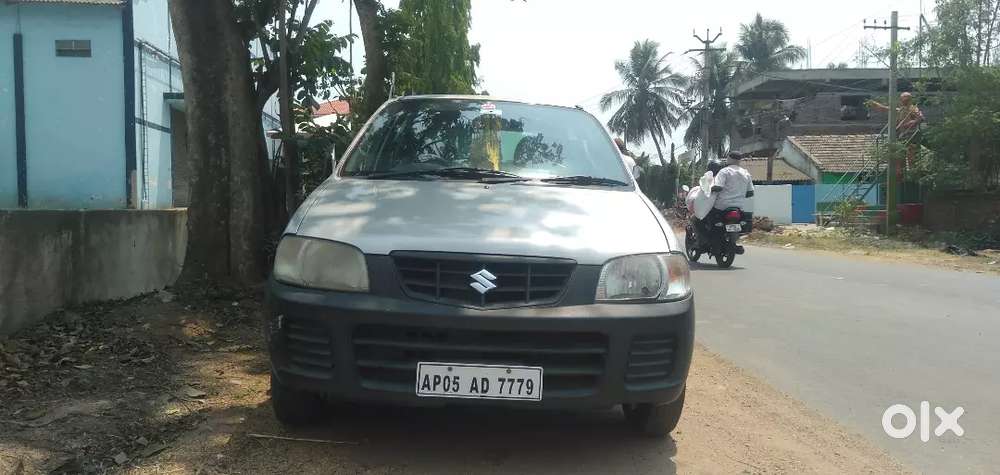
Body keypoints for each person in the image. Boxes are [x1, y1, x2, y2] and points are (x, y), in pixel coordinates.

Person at [867, 93, 924, 176]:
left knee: (912, 161)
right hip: (900, 138)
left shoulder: (913, 108)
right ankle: (900, 179)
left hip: (911, 138)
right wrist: (876, 105)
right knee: (899, 163)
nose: (904, 100)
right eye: (903, 98)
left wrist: (912, 122)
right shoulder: (901, 110)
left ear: (909, 100)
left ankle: (913, 179)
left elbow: (921, 118)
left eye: (906, 99)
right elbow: (886, 109)